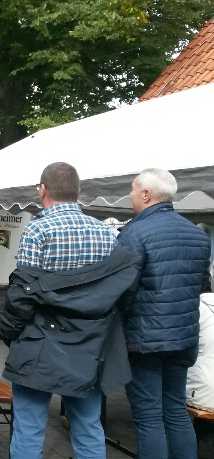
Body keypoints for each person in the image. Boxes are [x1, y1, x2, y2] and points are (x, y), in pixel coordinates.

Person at [0, 162, 135, 458]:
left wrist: (9, 333)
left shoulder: (37, 230)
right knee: (88, 428)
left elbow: (22, 294)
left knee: (28, 430)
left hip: (39, 342)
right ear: (78, 192)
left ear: (43, 190)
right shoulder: (105, 233)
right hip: (89, 345)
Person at [116, 168, 211, 459]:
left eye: (133, 190)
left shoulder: (134, 233)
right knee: (176, 411)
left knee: (148, 416)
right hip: (184, 337)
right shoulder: (197, 235)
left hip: (144, 341)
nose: (131, 195)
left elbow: (123, 290)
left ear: (146, 194)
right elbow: (202, 287)